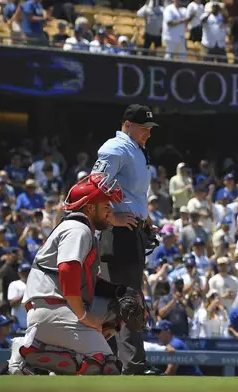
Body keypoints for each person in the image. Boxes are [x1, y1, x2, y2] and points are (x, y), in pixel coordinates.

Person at [7, 173, 124, 375]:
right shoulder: (78, 229)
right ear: (89, 207)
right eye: (105, 205)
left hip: (49, 310)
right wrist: (84, 316)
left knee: (117, 309)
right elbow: (67, 270)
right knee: (106, 367)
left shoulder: (77, 228)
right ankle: (30, 351)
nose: (109, 210)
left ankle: (35, 347)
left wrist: (120, 291)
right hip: (55, 309)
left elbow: (80, 277)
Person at [92, 104, 158, 375]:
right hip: (118, 233)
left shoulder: (136, 151)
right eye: (144, 128)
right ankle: (132, 365)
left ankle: (113, 362)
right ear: (127, 125)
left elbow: (133, 195)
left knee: (123, 299)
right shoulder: (115, 148)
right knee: (127, 299)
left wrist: (146, 220)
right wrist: (112, 219)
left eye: (150, 129)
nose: (148, 134)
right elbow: (95, 186)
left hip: (132, 232)